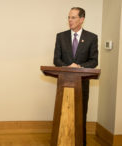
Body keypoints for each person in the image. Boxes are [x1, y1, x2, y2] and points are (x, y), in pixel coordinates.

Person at [53, 7, 98, 146]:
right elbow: (56, 60)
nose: (70, 20)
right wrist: (70, 66)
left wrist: (79, 67)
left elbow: (94, 61)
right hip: (64, 84)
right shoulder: (61, 36)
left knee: (80, 115)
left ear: (82, 19)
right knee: (63, 114)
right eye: (69, 17)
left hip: (82, 85)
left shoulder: (91, 37)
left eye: (73, 17)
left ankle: (81, 143)